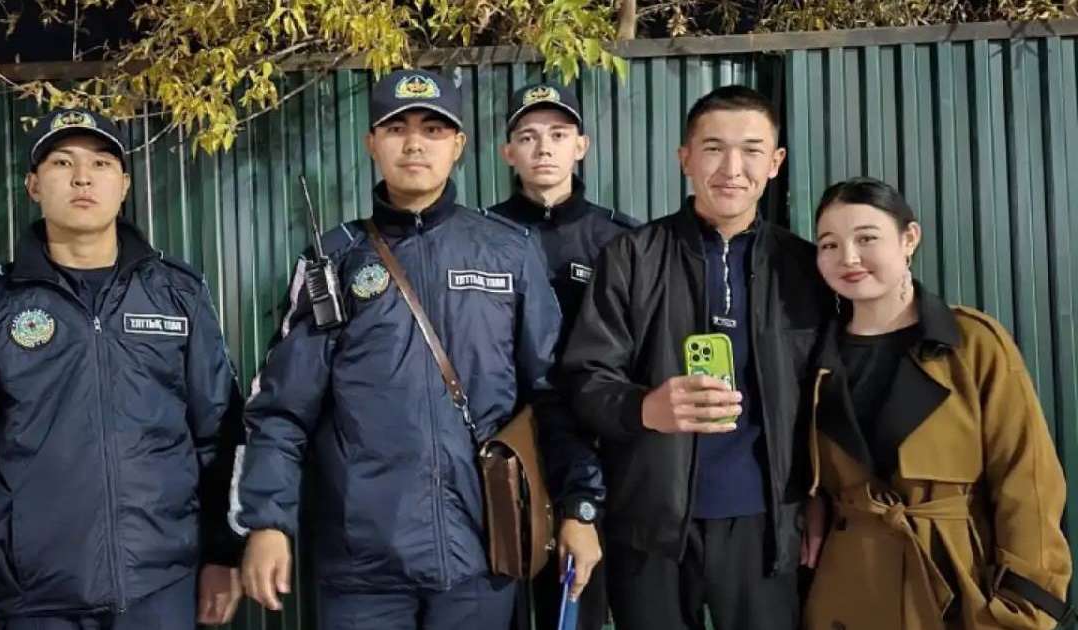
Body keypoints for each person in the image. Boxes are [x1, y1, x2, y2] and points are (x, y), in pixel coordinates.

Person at [233, 69, 563, 630]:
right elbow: (282, 409)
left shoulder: (508, 253)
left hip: (483, 554)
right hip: (363, 566)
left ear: (457, 146)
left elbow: (554, 396)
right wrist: (267, 522)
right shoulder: (333, 259)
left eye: (434, 129)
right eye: (397, 127)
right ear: (372, 143)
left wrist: (579, 505)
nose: (414, 143)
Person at [0, 108, 245, 630]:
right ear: (34, 184)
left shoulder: (179, 294)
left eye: (102, 163)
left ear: (124, 184)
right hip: (33, 600)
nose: (83, 177)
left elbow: (219, 435)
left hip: (162, 590)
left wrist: (224, 554)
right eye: (63, 162)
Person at [560, 85, 831, 630]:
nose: (732, 167)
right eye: (713, 148)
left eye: (752, 150)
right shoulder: (633, 258)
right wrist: (644, 408)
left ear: (775, 162)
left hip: (767, 527)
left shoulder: (803, 268)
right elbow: (584, 380)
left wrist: (822, 497)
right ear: (685, 157)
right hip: (651, 526)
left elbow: (829, 400)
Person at [802, 176, 1072, 630]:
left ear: (909, 239)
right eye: (829, 244)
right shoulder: (810, 356)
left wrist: (1026, 606)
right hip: (845, 591)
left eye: (866, 238)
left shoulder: (972, 344)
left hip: (958, 584)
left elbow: (1028, 481)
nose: (847, 257)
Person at [488, 79, 637, 630]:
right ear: (509, 153)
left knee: (577, 610)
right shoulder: (483, 235)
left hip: (593, 450)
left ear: (582, 145)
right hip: (502, 449)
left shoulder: (621, 241)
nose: (543, 148)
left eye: (557, 134)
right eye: (527, 136)